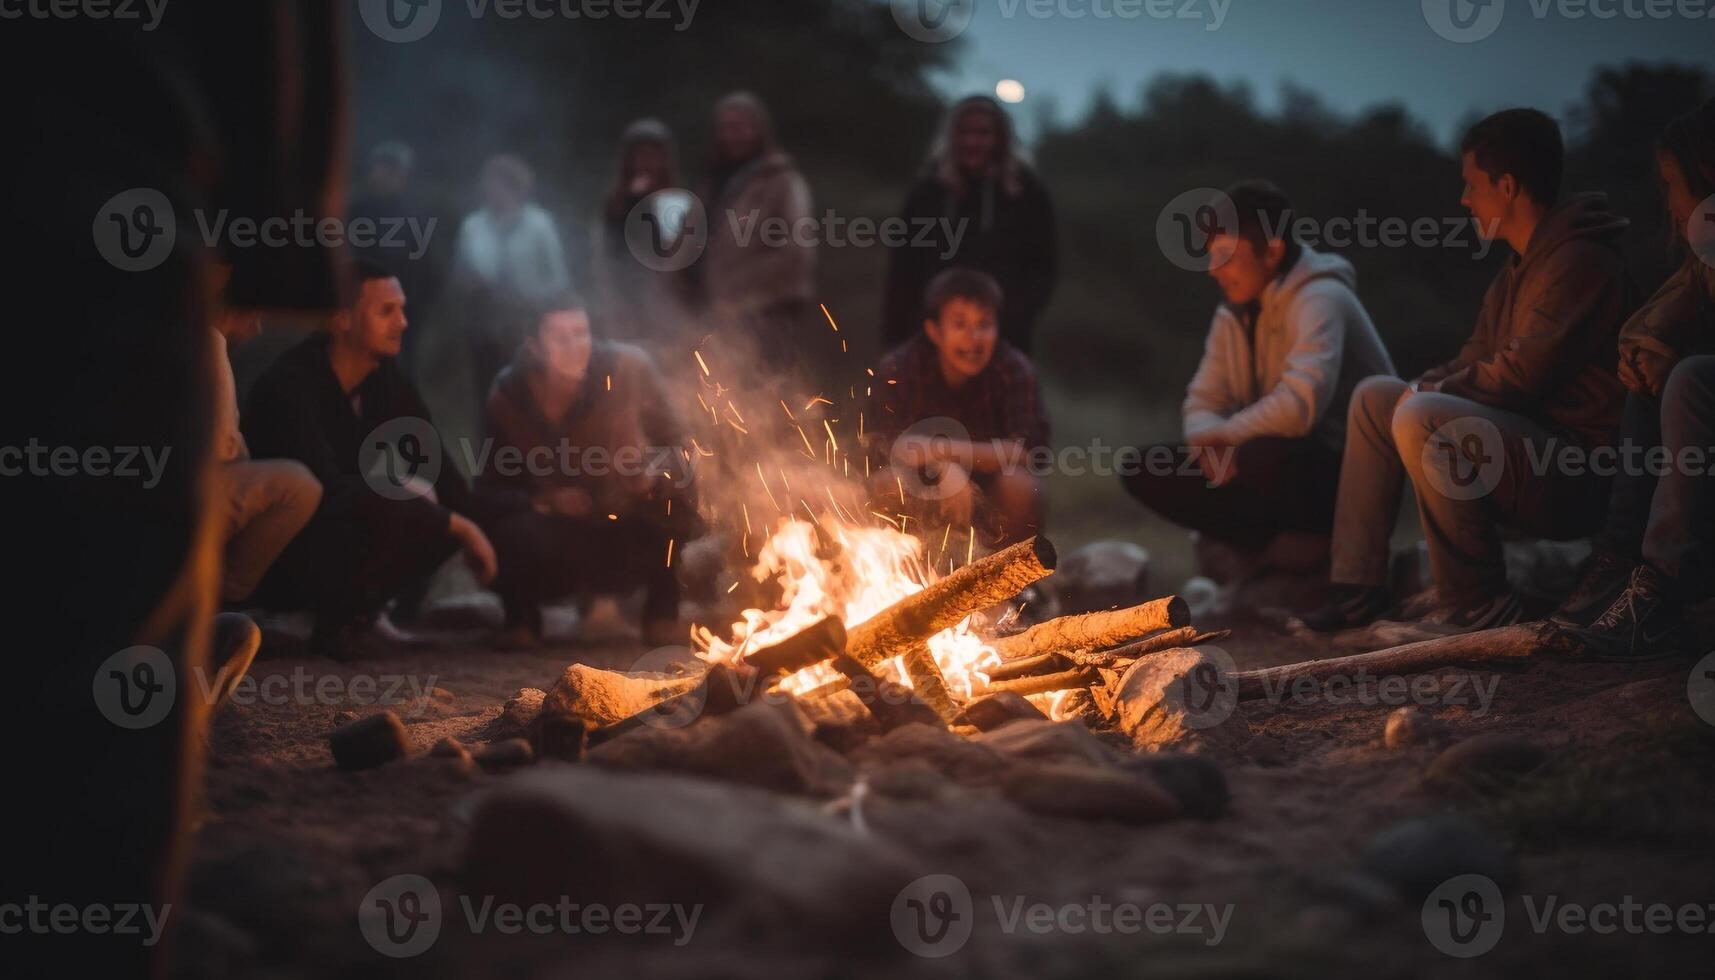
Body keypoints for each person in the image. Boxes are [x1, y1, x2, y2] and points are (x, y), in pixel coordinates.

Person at [1301, 109, 1638, 633]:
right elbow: (1473, 358)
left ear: (1506, 185)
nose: (1463, 199)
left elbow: (1524, 374)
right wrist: (1421, 387)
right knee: (1376, 397)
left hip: (1576, 469)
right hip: (1526, 451)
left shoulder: (1581, 262)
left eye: (1471, 184)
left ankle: (1477, 600)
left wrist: (1430, 394)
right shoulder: (1517, 269)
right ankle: (1358, 589)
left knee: (1426, 412)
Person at [1121, 181, 1396, 560]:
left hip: (1345, 473)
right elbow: (1203, 399)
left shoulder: (1322, 298)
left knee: (1262, 457)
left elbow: (1299, 408)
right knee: (1143, 467)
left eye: (1225, 256)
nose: (1212, 270)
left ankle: (1313, 551)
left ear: (1272, 251)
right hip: (1267, 456)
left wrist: (1227, 437)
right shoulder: (1232, 314)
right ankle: (1271, 554)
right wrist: (1211, 444)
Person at [243, 261, 503, 660]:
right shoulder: (291, 384)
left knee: (429, 498)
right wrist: (459, 526)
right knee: (412, 509)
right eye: (386, 311)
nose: (402, 322)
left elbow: (437, 468)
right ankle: (293, 617)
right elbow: (330, 491)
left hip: (340, 534)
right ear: (342, 319)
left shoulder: (382, 378)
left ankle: (355, 617)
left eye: (402, 309)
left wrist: (501, 529)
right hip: (282, 560)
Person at [1541, 98, 1715, 660]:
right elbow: (1655, 319)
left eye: (1671, 184)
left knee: (1688, 380)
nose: (1668, 201)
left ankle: (1659, 589)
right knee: (1658, 379)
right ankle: (1622, 566)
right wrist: (1648, 351)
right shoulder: (1703, 259)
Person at [479, 296, 702, 647]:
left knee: (677, 501)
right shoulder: (508, 395)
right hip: (557, 539)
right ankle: (520, 618)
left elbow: (681, 448)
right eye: (560, 337)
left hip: (627, 530)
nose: (574, 346)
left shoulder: (629, 369)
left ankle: (662, 610)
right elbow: (488, 491)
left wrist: (651, 477)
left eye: (580, 333)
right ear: (535, 347)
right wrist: (545, 500)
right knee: (508, 530)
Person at [868, 268, 1049, 547]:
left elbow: (1027, 452)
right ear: (935, 331)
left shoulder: (1014, 370)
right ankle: (902, 572)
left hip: (991, 492)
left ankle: (1015, 581)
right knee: (888, 484)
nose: (973, 337)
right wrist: (941, 473)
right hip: (918, 485)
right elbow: (887, 448)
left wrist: (944, 453)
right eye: (960, 324)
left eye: (984, 324)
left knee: (1021, 485)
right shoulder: (900, 368)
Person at [882, 95, 1057, 354]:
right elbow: (902, 267)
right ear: (951, 135)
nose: (972, 141)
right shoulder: (929, 192)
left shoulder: (1025, 194)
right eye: (964, 132)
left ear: (1000, 137)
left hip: (1003, 341)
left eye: (983, 133)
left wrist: (1012, 318)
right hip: (929, 339)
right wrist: (894, 336)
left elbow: (1044, 266)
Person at [208, 267, 323, 605]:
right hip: (184, 496)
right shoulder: (209, 342)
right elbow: (221, 445)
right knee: (298, 486)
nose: (256, 328)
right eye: (253, 314)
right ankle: (224, 603)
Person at [695, 91, 817, 370]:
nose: (731, 135)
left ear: (759, 129)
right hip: (712, 319)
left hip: (764, 318)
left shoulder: (782, 181)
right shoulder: (712, 184)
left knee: (765, 400)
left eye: (740, 126)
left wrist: (738, 294)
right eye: (724, 127)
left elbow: (796, 252)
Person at [450, 153, 573, 409]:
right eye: (487, 183)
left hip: (527, 321)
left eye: (498, 183)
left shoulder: (539, 225)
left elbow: (558, 278)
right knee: (486, 390)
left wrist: (533, 299)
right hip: (483, 321)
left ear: (516, 186)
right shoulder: (473, 227)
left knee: (526, 391)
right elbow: (460, 273)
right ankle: (487, 445)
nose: (491, 190)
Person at [348, 141, 449, 377]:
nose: (383, 175)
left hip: (405, 309)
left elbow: (429, 267)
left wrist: (417, 305)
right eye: (379, 167)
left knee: (401, 369)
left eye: (391, 170)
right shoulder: (356, 211)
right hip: (361, 306)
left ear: (403, 175)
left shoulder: (416, 214)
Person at [589, 119, 692, 350]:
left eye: (653, 155)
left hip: (667, 309)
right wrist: (631, 203)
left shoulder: (679, 202)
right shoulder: (614, 205)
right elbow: (606, 256)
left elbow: (675, 255)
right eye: (639, 155)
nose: (645, 162)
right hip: (623, 307)